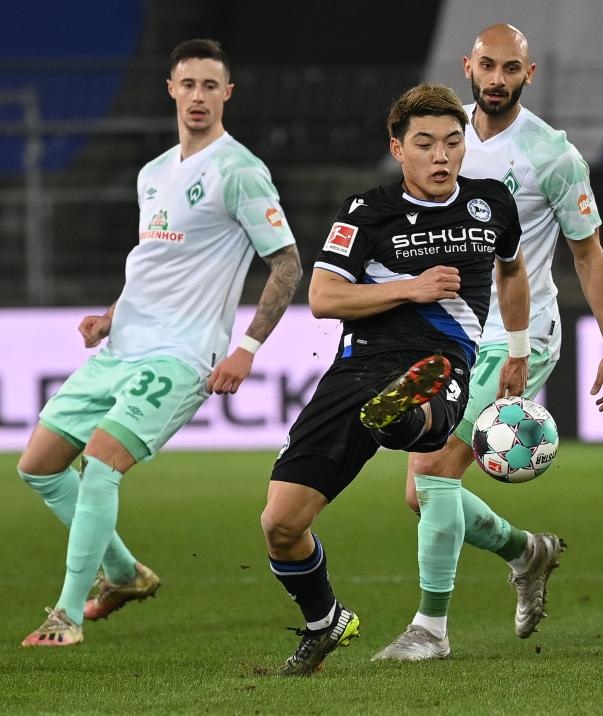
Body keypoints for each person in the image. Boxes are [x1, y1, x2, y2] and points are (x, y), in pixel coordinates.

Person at [18, 39, 302, 647]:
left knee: (99, 465)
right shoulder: (153, 173)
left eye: (210, 86)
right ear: (171, 90)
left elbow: (287, 264)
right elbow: (155, 264)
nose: (198, 96)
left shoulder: (239, 171)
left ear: (227, 94)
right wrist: (110, 316)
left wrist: (247, 348)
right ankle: (124, 573)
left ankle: (66, 616)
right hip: (122, 347)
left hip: (181, 354)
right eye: (188, 84)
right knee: (38, 467)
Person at [259, 82, 530, 674]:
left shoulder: (492, 203)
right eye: (425, 144)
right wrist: (413, 287)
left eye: (453, 142)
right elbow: (324, 297)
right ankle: (325, 620)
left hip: (441, 359)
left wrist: (517, 347)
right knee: (280, 524)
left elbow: (512, 270)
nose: (441, 156)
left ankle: (404, 415)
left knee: (419, 424)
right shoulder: (366, 211)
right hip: (358, 368)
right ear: (397, 148)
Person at [382, 23, 603, 658]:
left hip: (518, 336)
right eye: (487, 66)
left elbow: (589, 253)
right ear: (468, 66)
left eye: (510, 68)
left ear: (529, 74)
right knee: (419, 494)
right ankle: (527, 552)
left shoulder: (553, 155)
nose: (497, 79)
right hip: (447, 336)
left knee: (433, 472)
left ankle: (430, 630)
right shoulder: (442, 142)